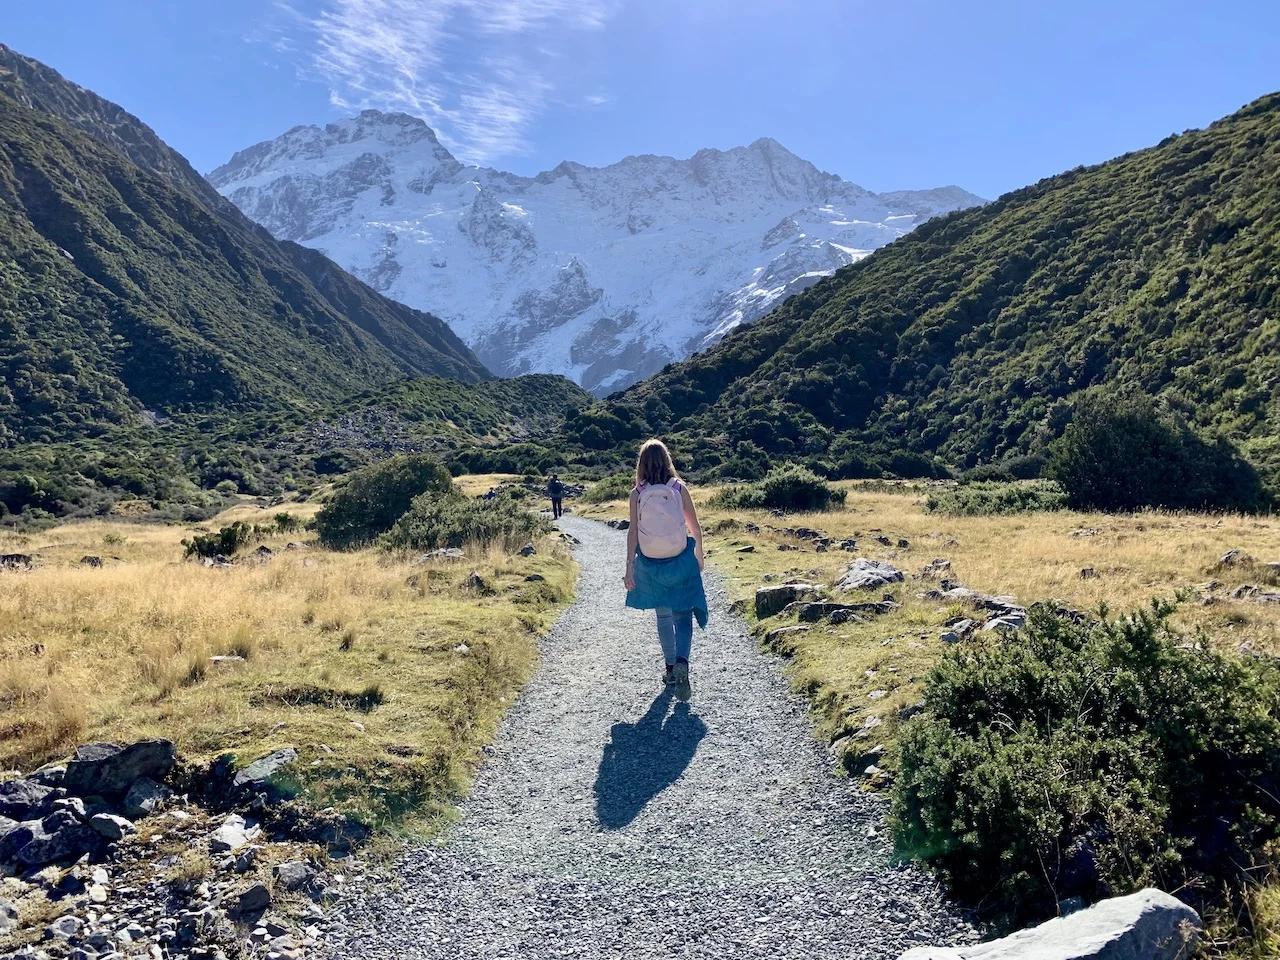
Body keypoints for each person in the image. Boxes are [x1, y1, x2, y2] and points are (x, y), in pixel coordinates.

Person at [623, 439, 707, 701]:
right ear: (667, 460)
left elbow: (633, 533)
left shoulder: (637, 493)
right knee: (683, 615)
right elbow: (695, 527)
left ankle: (670, 669)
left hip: (651, 560)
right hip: (679, 558)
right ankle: (682, 661)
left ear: (642, 464)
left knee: (663, 616)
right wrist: (699, 554)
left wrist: (629, 567)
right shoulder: (678, 488)